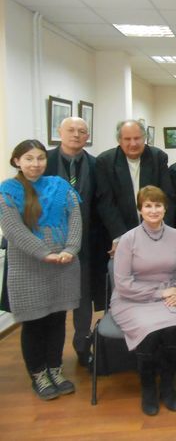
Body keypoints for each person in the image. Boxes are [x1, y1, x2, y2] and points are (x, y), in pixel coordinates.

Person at [0, 140, 81, 400]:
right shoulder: (7, 191)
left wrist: (71, 248)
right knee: (34, 324)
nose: (35, 164)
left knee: (57, 321)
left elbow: (75, 218)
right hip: (28, 268)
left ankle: (55, 370)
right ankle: (39, 375)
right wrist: (44, 253)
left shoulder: (60, 185)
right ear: (17, 161)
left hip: (64, 265)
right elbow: (13, 230)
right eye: (29, 158)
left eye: (40, 158)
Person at [111, 186, 176, 415]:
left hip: (167, 296)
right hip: (130, 299)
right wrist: (159, 293)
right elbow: (123, 284)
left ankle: (168, 387)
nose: (153, 210)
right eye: (148, 206)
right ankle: (148, 389)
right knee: (150, 333)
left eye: (158, 205)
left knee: (172, 330)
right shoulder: (128, 239)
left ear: (165, 208)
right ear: (140, 209)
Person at [45, 117, 106, 367]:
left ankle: (82, 347)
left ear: (87, 136)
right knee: (53, 301)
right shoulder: (43, 161)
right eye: (70, 130)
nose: (76, 135)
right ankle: (51, 357)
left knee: (83, 299)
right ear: (59, 132)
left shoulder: (96, 165)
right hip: (50, 244)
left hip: (87, 244)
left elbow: (103, 203)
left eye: (82, 131)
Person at [96, 120, 175, 256]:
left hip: (155, 228)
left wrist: (160, 232)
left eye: (137, 138)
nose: (133, 143)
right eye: (127, 139)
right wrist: (120, 236)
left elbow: (167, 197)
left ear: (144, 138)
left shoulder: (158, 157)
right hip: (121, 230)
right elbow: (106, 202)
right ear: (119, 140)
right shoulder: (105, 161)